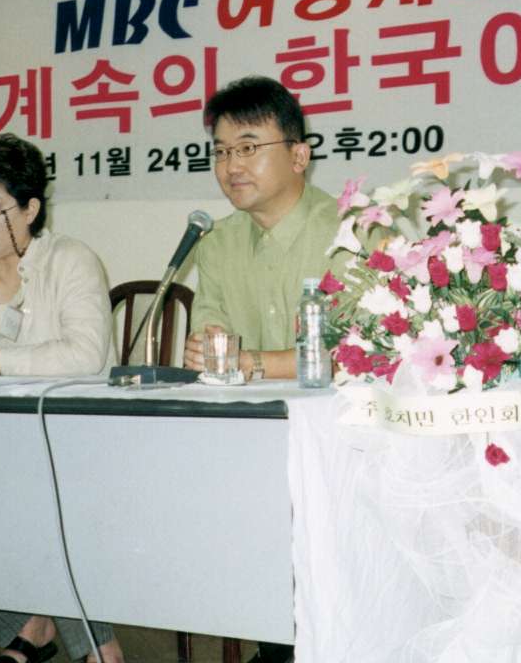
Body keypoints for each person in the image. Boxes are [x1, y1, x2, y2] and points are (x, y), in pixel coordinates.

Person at [0, 131, 124, 663]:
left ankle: (76, 643)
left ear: (31, 209)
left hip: (75, 439)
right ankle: (36, 626)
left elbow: (85, 354)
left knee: (38, 495)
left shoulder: (71, 260)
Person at [183, 76, 343, 663]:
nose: (231, 166)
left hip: (342, 445)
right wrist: (211, 352)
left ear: (299, 155)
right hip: (255, 443)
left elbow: (363, 355)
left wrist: (250, 363)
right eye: (221, 151)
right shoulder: (216, 243)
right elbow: (213, 344)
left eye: (249, 147)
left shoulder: (351, 230)